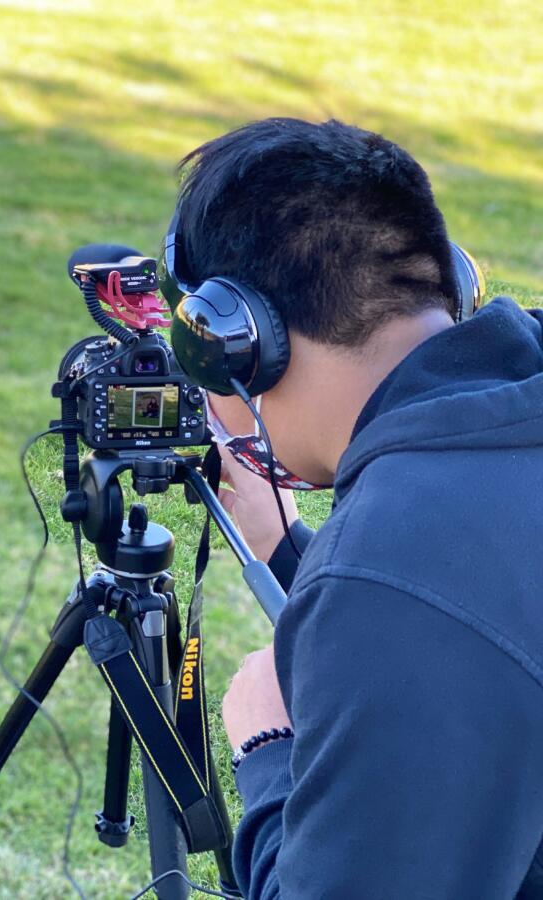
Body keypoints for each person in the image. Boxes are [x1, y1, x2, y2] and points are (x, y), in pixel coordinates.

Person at [168, 119, 543, 897]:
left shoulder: (391, 574)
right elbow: (474, 618)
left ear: (238, 343)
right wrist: (289, 551)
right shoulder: (489, 458)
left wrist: (269, 746)